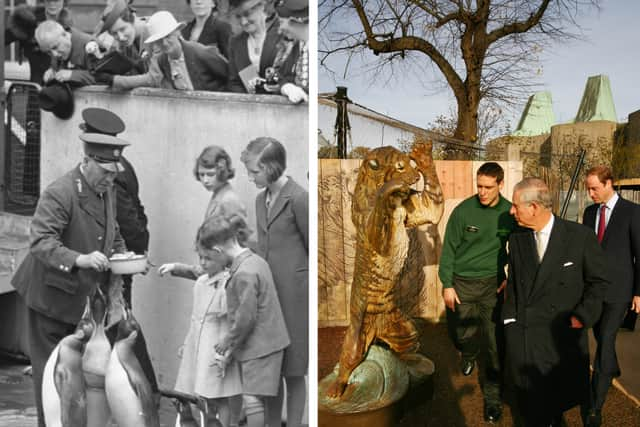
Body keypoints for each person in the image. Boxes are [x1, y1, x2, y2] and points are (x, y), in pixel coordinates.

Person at [10, 109, 131, 427]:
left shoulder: (106, 190)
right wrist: (80, 259)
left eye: (113, 171)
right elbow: (40, 242)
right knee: (51, 377)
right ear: (88, 160)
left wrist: (124, 257)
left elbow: (112, 231)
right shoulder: (61, 192)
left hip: (80, 301)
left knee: (75, 379)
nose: (110, 177)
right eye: (104, 170)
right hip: (49, 300)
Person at [503, 177, 608, 427]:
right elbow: (515, 287)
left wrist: (581, 317)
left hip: (560, 336)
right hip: (525, 337)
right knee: (530, 408)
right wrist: (509, 321)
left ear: (535, 208)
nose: (511, 210)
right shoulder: (518, 239)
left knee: (554, 404)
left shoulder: (579, 237)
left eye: (516, 205)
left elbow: (598, 283)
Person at [438, 161, 516, 423]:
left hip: (492, 285)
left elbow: (520, 249)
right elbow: (448, 249)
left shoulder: (509, 213)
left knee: (495, 344)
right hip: (462, 283)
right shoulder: (463, 212)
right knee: (461, 333)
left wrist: (511, 276)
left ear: (500, 185)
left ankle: (493, 400)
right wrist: (447, 284)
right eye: (479, 186)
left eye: (488, 187)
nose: (482, 192)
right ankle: (468, 352)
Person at [241, 137, 308, 427]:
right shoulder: (259, 199)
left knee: (294, 370)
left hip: (294, 298)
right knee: (272, 368)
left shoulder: (299, 199)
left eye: (254, 171)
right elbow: (265, 246)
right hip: (268, 297)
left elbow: (311, 247)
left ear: (270, 168)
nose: (250, 176)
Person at [201, 215, 289, 427]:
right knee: (266, 396)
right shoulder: (255, 261)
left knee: (252, 399)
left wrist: (227, 342)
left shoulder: (244, 273)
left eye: (208, 256)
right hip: (271, 341)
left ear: (218, 251)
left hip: (259, 346)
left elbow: (245, 318)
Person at [169, 215, 249, 427]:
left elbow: (231, 318)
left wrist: (227, 351)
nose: (203, 263)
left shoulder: (227, 282)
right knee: (197, 393)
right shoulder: (201, 283)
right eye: (200, 258)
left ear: (220, 255)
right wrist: (187, 344)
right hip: (198, 346)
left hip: (215, 347)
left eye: (208, 258)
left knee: (219, 394)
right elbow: (196, 319)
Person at [582, 165, 640, 427]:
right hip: (593, 291)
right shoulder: (589, 212)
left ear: (609, 184)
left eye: (594, 188)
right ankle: (611, 366)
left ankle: (595, 406)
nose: (591, 193)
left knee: (605, 340)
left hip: (620, 292)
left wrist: (638, 292)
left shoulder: (632, 212)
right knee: (599, 335)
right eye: (588, 189)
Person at [158, 145, 247, 280]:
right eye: (201, 174)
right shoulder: (218, 195)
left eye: (210, 174)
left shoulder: (228, 200)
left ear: (222, 172)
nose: (205, 180)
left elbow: (236, 246)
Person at [98, 10, 229, 92]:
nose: (164, 43)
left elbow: (229, 76)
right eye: (159, 40)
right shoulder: (163, 59)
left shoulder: (199, 52)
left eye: (168, 36)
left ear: (178, 32)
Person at [5, 0, 73, 84]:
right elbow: (4, 39)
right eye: (48, 1)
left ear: (64, 1)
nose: (52, 4)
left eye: (56, 0)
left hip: (60, 88)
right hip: (35, 88)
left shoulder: (68, 25)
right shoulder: (27, 21)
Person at [227, 0, 284, 93]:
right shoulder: (236, 42)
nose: (243, 22)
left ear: (262, 7)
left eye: (247, 14)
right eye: (238, 17)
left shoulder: (282, 33)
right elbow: (234, 83)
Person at [267, 0, 308, 103]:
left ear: (296, 20)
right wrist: (287, 87)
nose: (280, 30)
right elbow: (283, 77)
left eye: (281, 23)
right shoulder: (298, 47)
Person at [95, 0, 151, 74]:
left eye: (122, 29)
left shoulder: (153, 32)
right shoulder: (124, 45)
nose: (121, 37)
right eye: (114, 33)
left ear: (132, 20)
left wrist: (114, 80)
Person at [34, 19, 96, 85]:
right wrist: (52, 72)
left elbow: (103, 77)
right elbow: (56, 68)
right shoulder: (55, 45)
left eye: (55, 47)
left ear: (64, 34)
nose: (54, 54)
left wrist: (72, 75)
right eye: (48, 52)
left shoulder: (90, 45)